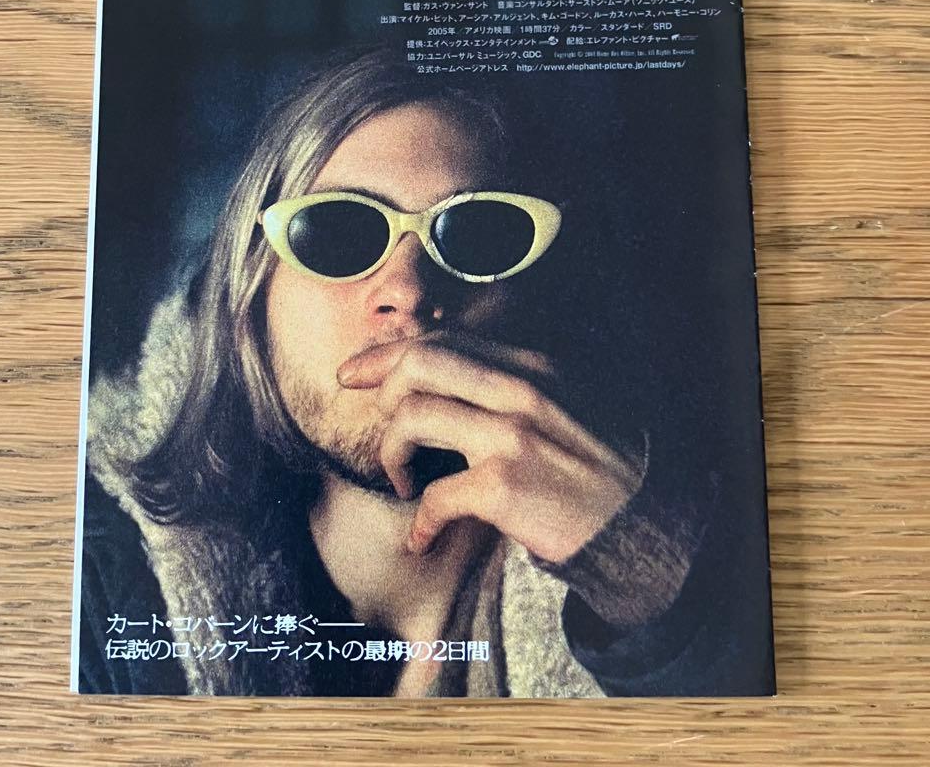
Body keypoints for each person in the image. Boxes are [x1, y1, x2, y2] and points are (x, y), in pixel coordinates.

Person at [78, 48, 773, 697]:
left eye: (479, 233)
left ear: (542, 297)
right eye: (337, 232)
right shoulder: (101, 588)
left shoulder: (724, 533)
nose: (408, 290)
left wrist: (656, 585)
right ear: (249, 299)